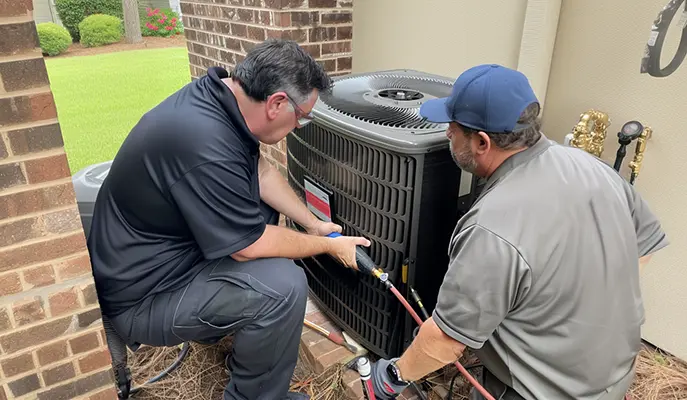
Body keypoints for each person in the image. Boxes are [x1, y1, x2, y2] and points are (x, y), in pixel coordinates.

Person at [86, 39, 371, 400]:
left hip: (161, 260)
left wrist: (312, 223)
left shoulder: (219, 100)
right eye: (302, 116)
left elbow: (261, 172)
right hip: (146, 297)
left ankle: (233, 338)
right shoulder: (204, 143)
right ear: (276, 103)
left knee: (262, 215)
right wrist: (328, 245)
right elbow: (250, 245)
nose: (300, 126)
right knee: (283, 287)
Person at [368, 64, 669, 400]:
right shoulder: (592, 168)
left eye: (452, 129)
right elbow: (644, 245)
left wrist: (393, 376)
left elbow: (446, 341)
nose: (447, 135)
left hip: (542, 391)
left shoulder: (491, 227)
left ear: (481, 142)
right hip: (615, 377)